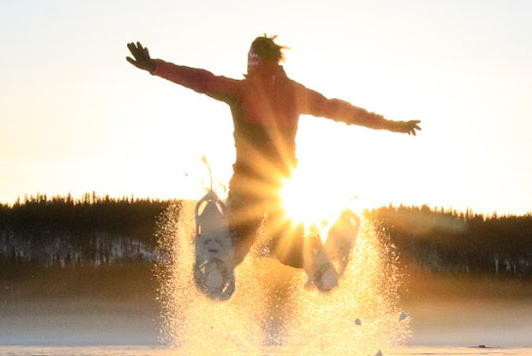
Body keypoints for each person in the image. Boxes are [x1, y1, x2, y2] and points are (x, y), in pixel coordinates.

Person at [125, 35, 419, 273]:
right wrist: (390, 125)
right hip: (283, 188)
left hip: (248, 183)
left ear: (252, 60)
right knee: (286, 250)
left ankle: (219, 250)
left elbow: (201, 80)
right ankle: (319, 251)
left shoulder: (241, 90)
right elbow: (339, 109)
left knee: (236, 246)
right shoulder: (295, 93)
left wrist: (155, 66)